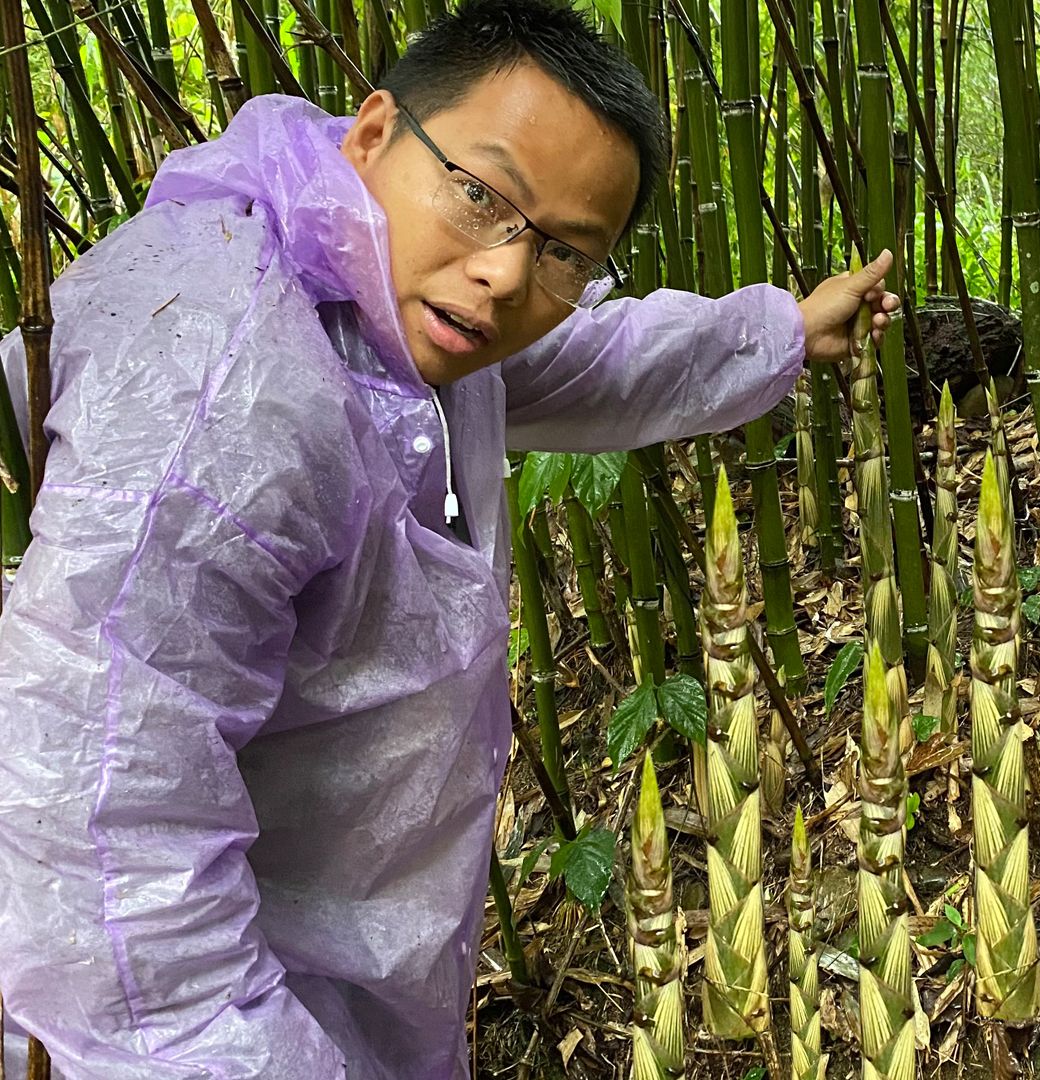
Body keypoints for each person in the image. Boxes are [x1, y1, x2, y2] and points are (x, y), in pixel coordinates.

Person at [0, 0, 896, 1075]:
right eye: (481, 197)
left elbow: (585, 360)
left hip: (331, 968)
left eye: (564, 250)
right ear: (374, 132)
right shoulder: (226, 399)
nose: (509, 274)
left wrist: (781, 330)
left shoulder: (401, 297)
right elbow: (113, 860)